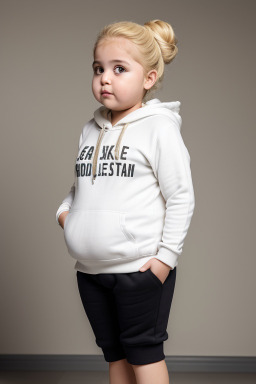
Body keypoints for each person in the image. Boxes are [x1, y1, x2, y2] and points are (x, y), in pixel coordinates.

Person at [56, 19, 195, 384]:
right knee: (115, 356)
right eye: (99, 68)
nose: (105, 78)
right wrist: (65, 214)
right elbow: (82, 185)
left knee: (143, 355)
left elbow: (180, 196)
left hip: (139, 272)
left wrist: (165, 260)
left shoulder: (159, 128)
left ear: (149, 78)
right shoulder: (91, 128)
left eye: (119, 69)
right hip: (90, 272)